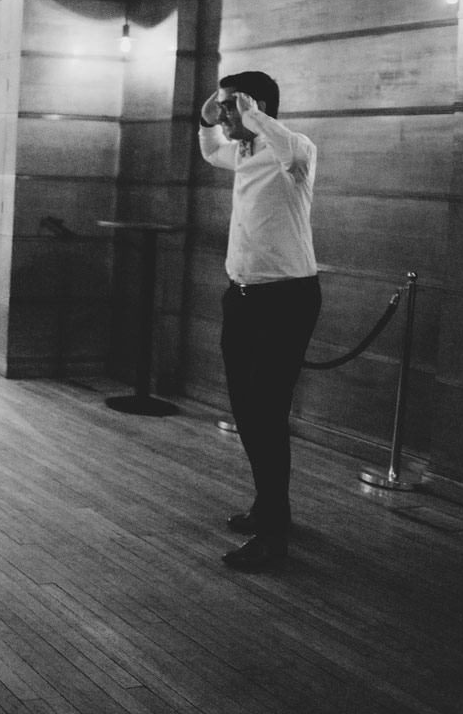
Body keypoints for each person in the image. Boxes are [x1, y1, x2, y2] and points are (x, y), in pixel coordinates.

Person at [199, 71, 321, 572]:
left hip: (286, 301)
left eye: (232, 107)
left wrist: (251, 115)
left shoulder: (295, 151)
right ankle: (269, 506)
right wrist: (209, 116)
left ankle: (274, 536)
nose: (226, 115)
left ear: (257, 107)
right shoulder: (244, 155)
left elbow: (288, 148)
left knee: (267, 415)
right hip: (243, 298)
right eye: (226, 108)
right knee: (248, 413)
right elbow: (210, 150)